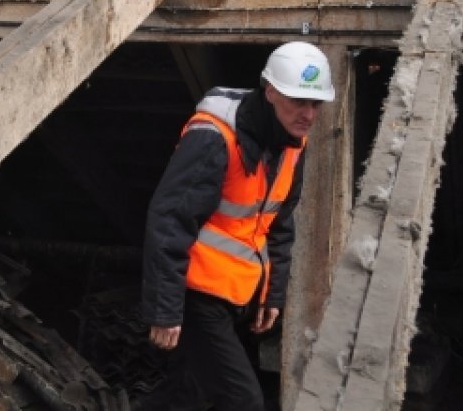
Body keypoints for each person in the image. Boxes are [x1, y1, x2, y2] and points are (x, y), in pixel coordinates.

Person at [139, 42, 336, 410]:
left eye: (315, 104)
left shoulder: (293, 146)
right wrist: (164, 309)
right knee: (242, 401)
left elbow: (278, 225)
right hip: (195, 293)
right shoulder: (214, 138)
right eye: (298, 101)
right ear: (271, 91)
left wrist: (272, 294)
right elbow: (169, 221)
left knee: (187, 394)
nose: (308, 114)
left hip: (236, 292)